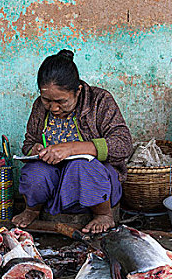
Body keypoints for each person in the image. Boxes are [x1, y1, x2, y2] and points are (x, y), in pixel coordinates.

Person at [12, 49, 133, 234]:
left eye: (61, 101)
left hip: (97, 183)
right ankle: (32, 209)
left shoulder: (100, 101)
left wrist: (72, 148)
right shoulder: (39, 107)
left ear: (78, 91)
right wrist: (35, 150)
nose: (53, 108)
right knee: (34, 171)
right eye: (47, 100)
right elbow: (29, 142)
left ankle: (104, 214)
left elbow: (123, 144)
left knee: (81, 166)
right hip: (55, 182)